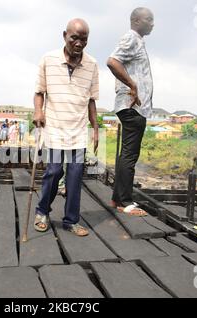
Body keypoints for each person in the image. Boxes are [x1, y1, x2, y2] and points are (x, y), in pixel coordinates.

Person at [33, 18, 99, 237]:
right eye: (74, 38)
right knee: (54, 171)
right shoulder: (48, 59)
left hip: (78, 130)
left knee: (75, 175)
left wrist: (96, 129)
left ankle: (71, 220)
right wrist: (38, 111)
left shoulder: (92, 65)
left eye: (84, 39)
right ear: (64, 35)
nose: (79, 43)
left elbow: (91, 100)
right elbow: (39, 92)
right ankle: (42, 211)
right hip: (54, 127)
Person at [107, 7, 154, 216]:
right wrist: (133, 86)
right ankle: (125, 202)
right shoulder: (132, 38)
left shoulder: (138, 41)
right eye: (149, 19)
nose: (153, 23)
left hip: (135, 107)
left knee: (126, 154)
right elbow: (112, 61)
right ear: (136, 21)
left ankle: (117, 198)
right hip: (132, 106)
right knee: (129, 155)